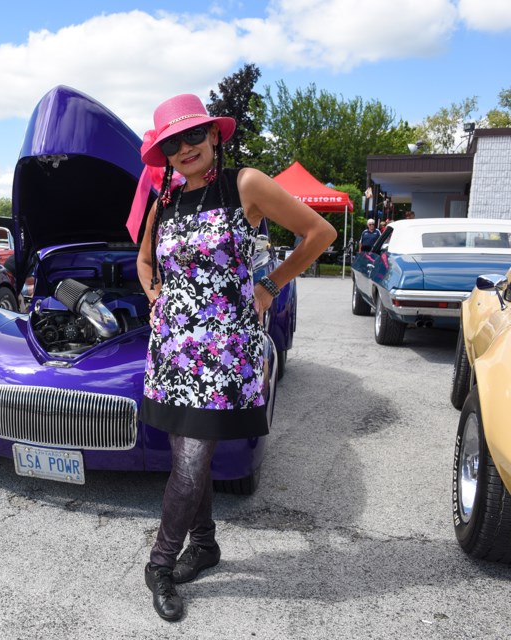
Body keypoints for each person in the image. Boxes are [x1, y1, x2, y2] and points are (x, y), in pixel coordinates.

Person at [133, 93, 335, 622]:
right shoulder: (165, 201)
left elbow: (320, 234)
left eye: (193, 135)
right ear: (165, 153)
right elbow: (144, 258)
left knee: (194, 458)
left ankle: (159, 564)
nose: (185, 148)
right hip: (174, 351)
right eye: (172, 143)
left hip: (222, 354)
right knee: (186, 460)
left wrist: (269, 284)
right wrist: (155, 295)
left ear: (215, 136)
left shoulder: (244, 184)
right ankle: (204, 544)